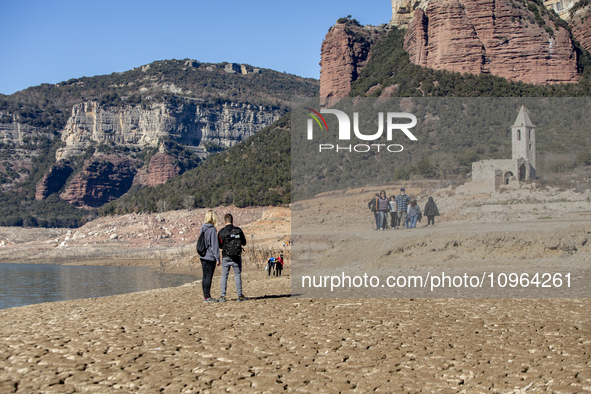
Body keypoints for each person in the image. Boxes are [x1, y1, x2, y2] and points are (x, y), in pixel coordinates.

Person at [217, 213, 247, 302]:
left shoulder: (221, 232)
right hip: (237, 256)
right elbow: (244, 242)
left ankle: (222, 296)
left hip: (226, 256)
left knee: (224, 275)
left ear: (224, 221)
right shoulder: (238, 230)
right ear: (232, 221)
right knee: (237, 275)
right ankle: (240, 295)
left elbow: (220, 245)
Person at [199, 210, 220, 303]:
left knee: (204, 276)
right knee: (208, 277)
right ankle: (207, 297)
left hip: (202, 255)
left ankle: (205, 296)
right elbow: (215, 245)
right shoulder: (212, 229)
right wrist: (218, 258)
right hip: (209, 257)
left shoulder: (203, 228)